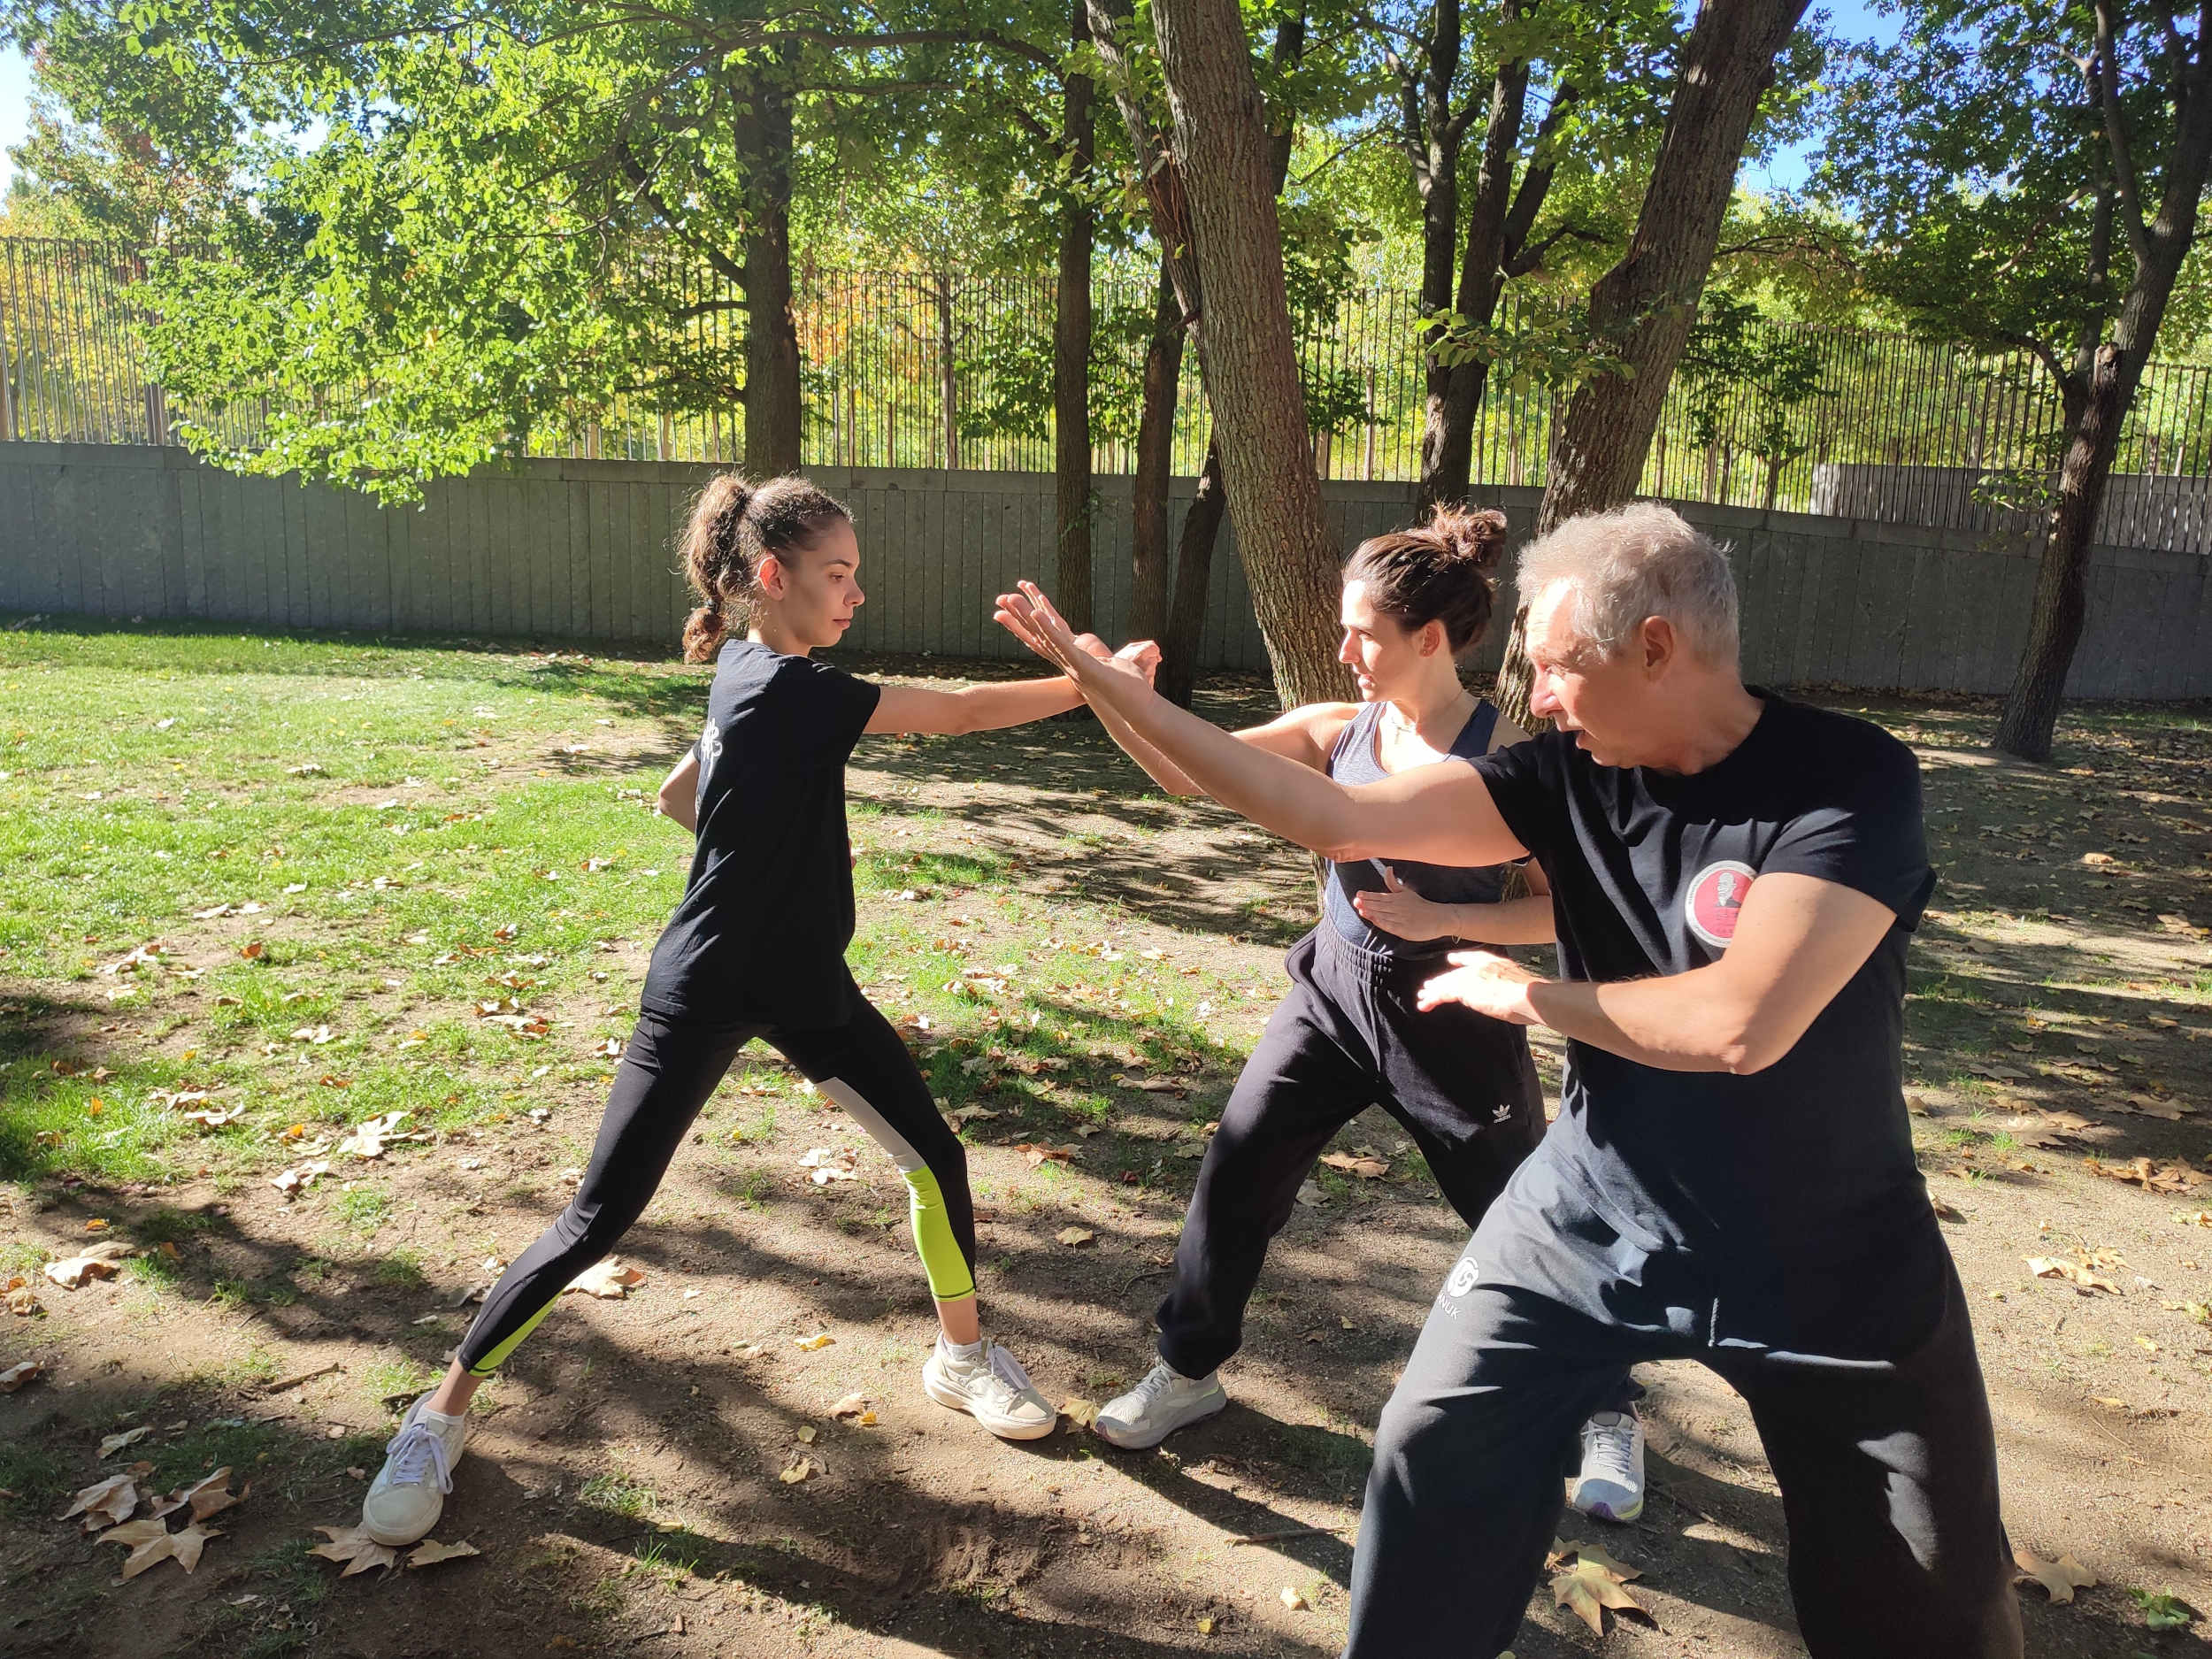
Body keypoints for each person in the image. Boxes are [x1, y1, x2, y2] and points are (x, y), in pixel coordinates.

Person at [995, 502, 2022, 1658]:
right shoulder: (1559, 773)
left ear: (1656, 648)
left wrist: (1532, 997)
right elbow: (1327, 810)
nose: (1535, 697)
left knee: (1931, 1599)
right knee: (1429, 1456)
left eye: (1558, 665)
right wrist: (1108, 684)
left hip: (1832, 1250)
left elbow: (1740, 1022)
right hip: (1585, 1215)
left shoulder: (1844, 780)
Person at [359, 472, 1156, 1548]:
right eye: (839, 575)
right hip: (702, 985)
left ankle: (961, 1357)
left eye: (857, 575)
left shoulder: (753, 666)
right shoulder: (794, 692)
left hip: (806, 987)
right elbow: (958, 716)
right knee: (601, 1214)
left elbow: (679, 795)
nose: (856, 594)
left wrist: (753, 838)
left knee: (935, 1158)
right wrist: (1091, 680)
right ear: (772, 578)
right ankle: (436, 1417)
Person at [1071, 505, 1643, 1524]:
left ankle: (1607, 1409)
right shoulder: (1340, 731)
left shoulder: (1506, 757)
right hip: (1331, 999)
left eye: (1362, 635)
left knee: (1521, 1221)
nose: (1342, 654)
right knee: (1236, 1173)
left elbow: (1566, 902)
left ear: (1429, 639)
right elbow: (1183, 771)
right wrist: (1104, 686)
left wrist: (1439, 915)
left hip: (1452, 1016)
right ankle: (1187, 1369)